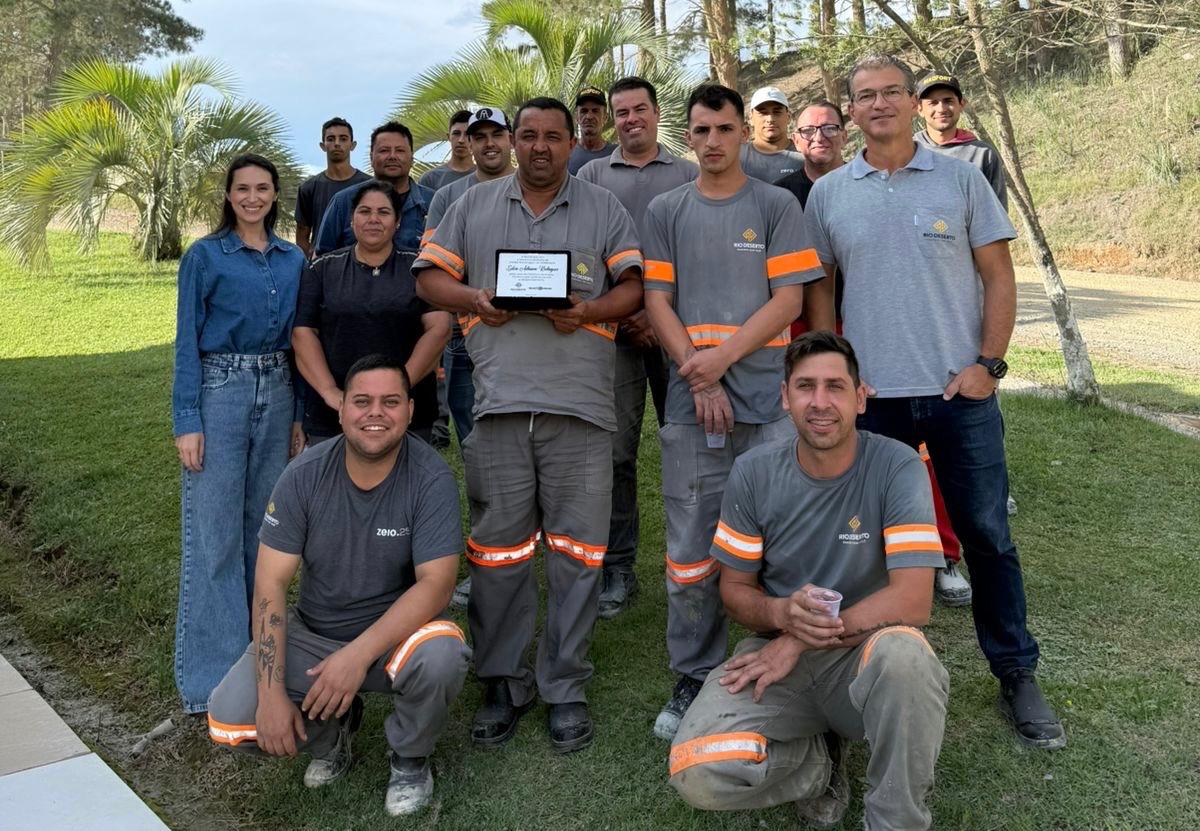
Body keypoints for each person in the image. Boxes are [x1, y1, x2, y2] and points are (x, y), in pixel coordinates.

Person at [803, 53, 1067, 749]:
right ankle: (858, 673)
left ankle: (1016, 671)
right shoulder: (829, 194)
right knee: (861, 543)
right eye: (866, 95)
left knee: (987, 535)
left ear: (913, 102)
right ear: (851, 110)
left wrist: (989, 365)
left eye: (892, 91)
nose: (879, 103)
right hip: (874, 400)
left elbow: (999, 276)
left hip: (959, 394)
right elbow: (821, 291)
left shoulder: (961, 178)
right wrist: (838, 376)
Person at [413, 96, 643, 753]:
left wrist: (590, 309)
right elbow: (428, 278)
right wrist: (474, 298)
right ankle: (502, 681)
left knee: (578, 555)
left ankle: (564, 684)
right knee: (499, 553)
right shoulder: (472, 206)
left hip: (581, 407)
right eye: (530, 135)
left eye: (553, 136)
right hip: (500, 404)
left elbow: (633, 286)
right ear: (513, 141)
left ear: (572, 142)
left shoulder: (604, 206)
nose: (540, 147)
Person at [669, 332, 949, 831]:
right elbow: (734, 590)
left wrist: (798, 639)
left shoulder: (898, 465)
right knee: (697, 769)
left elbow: (913, 600)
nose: (820, 402)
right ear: (785, 397)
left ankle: (894, 821)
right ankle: (817, 765)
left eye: (835, 387)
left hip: (865, 653)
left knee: (907, 657)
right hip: (777, 659)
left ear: (860, 398)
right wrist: (780, 613)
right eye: (805, 387)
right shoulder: (753, 472)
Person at [206, 355, 470, 817]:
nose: (375, 413)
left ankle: (410, 758)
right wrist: (270, 697)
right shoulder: (304, 474)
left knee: (442, 654)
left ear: (410, 410)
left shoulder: (431, 478)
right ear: (342, 408)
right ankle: (332, 736)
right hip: (315, 635)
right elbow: (270, 583)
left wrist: (356, 656)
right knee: (230, 718)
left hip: (395, 639)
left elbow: (437, 585)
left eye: (391, 402)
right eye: (362, 401)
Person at [642, 84, 824, 740]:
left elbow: (788, 302)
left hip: (767, 405)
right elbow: (658, 302)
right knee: (692, 549)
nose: (713, 141)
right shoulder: (666, 210)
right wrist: (700, 375)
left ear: (743, 133)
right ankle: (694, 670)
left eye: (724, 128)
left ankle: (782, 656)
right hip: (693, 406)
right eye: (701, 130)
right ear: (687, 137)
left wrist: (719, 361)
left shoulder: (775, 205)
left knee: (780, 537)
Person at [780, 102, 973, 607]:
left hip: (885, 332)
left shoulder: (876, 182)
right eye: (808, 130)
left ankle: (943, 554)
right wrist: (826, 355)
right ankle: (864, 570)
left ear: (845, 131)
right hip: (823, 335)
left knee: (923, 455)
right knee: (843, 458)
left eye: (828, 128)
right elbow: (811, 283)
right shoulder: (784, 194)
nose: (819, 137)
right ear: (794, 138)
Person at [172, 154, 305, 715]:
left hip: (278, 390)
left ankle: (260, 667)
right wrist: (187, 420)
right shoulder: (205, 256)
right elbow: (186, 340)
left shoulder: (293, 259)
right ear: (228, 195)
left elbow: (301, 341)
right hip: (220, 389)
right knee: (216, 536)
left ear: (275, 196)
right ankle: (210, 684)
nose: (252, 197)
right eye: (242, 188)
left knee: (265, 534)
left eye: (263, 188)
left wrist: (298, 416)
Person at [577, 76, 699, 620]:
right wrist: (624, 314)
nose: (631, 119)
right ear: (612, 119)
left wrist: (659, 315)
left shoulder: (688, 174)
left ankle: (695, 560)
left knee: (690, 448)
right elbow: (586, 255)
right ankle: (618, 566)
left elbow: (699, 255)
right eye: (621, 111)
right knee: (616, 454)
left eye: (639, 109)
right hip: (617, 335)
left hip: (681, 337)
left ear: (656, 113)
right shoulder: (591, 176)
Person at [422, 105, 515, 610]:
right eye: (479, 137)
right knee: (477, 450)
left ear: (510, 139)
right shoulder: (449, 197)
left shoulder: (534, 189)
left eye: (496, 134)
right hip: (467, 339)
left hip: (534, 340)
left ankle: (529, 550)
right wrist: (473, 301)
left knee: (530, 451)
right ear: (469, 144)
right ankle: (486, 560)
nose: (488, 143)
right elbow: (433, 273)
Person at [293, 182, 450, 445]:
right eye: (364, 211)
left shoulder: (420, 269)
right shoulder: (322, 269)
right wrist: (331, 392)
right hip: (334, 411)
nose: (373, 219)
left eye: (383, 212)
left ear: (397, 221)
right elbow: (303, 333)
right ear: (351, 220)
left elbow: (439, 328)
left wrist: (397, 388)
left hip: (407, 409)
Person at [314, 121, 431, 255]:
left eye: (400, 150)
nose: (392, 156)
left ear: (412, 158)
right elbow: (322, 257)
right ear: (371, 157)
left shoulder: (433, 203)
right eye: (384, 150)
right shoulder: (343, 202)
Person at [915, 73, 1007, 206]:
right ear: (919, 109)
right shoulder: (907, 152)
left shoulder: (982, 154)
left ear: (961, 104)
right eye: (932, 103)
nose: (941, 109)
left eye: (948, 101)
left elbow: (996, 212)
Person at [294, 117, 372, 259]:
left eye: (343, 139)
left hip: (363, 262)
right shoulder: (308, 188)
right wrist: (312, 265)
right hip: (323, 263)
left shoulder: (370, 185)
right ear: (322, 145)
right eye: (330, 139)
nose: (337, 143)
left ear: (353, 145)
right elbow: (302, 237)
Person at [739, 86, 806, 183]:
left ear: (788, 117)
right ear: (751, 118)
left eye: (777, 112)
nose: (770, 119)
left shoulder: (805, 155)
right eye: (763, 113)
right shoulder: (736, 157)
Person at [419, 109, 475, 191]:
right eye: (456, 133)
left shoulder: (485, 177)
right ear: (449, 137)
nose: (461, 140)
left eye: (467, 134)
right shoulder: (430, 179)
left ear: (475, 138)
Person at [567, 87, 617, 174]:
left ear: (605, 117)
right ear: (576, 117)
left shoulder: (616, 154)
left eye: (595, 111)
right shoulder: (566, 152)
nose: (589, 116)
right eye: (584, 111)